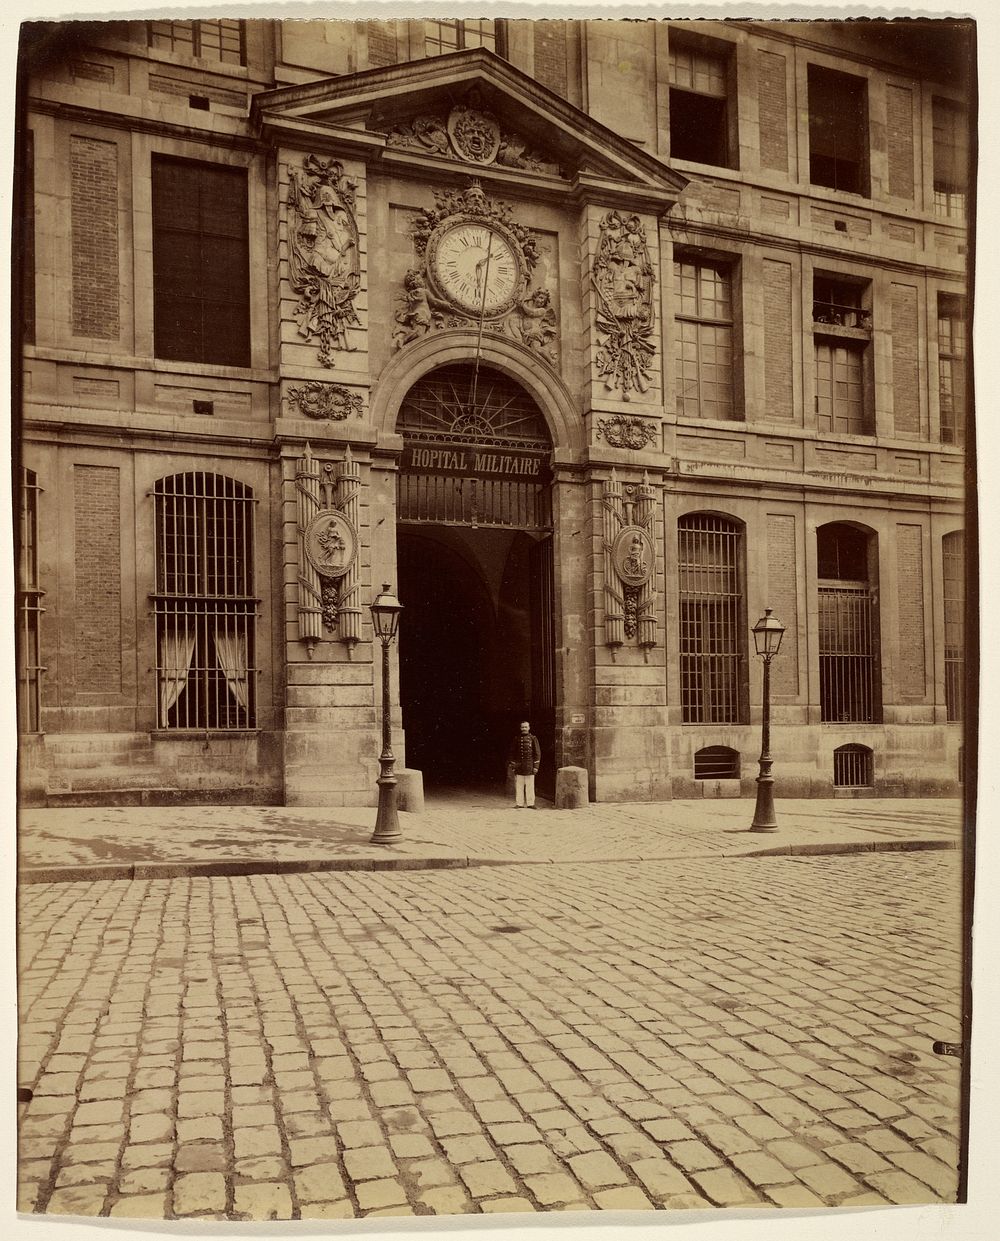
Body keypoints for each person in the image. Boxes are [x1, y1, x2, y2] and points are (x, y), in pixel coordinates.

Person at [507, 720, 541, 809]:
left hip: (529, 766)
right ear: (520, 728)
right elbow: (512, 752)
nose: (524, 729)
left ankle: (530, 803)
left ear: (529, 728)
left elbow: (537, 753)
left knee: (530, 785)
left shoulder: (533, 738)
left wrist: (536, 766)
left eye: (526, 727)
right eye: (522, 727)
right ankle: (519, 803)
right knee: (519, 785)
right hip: (519, 766)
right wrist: (513, 765)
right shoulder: (516, 738)